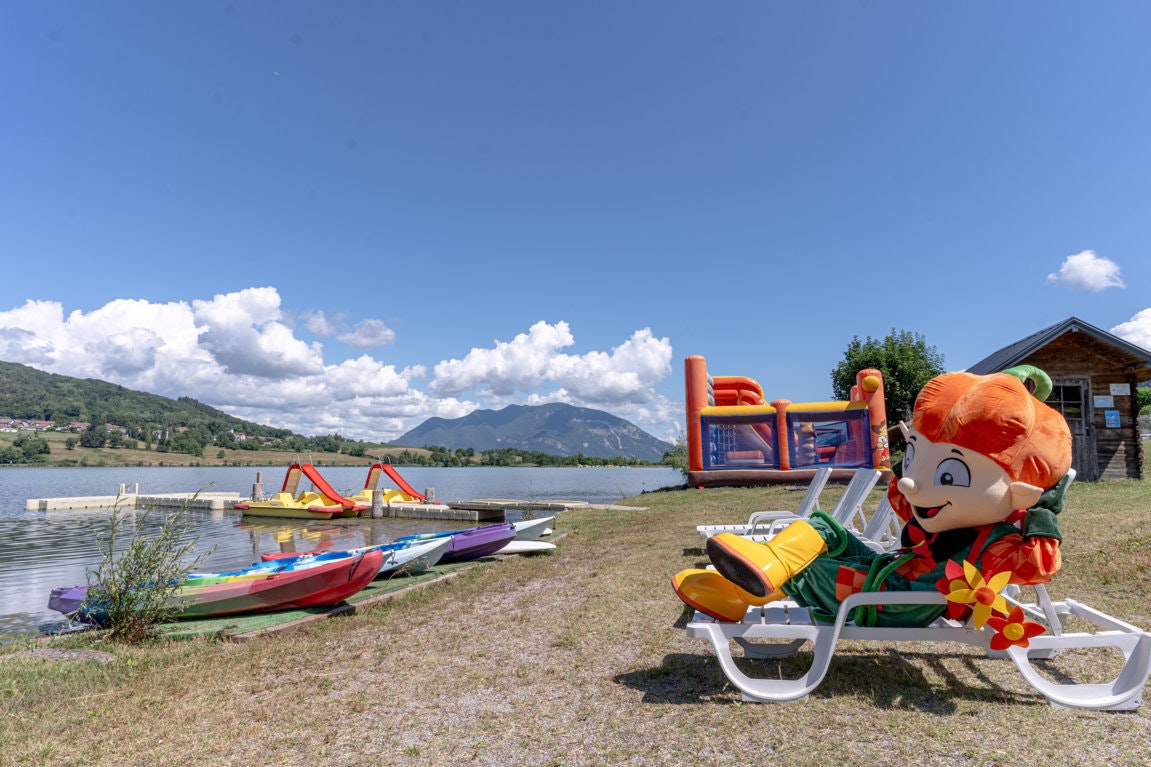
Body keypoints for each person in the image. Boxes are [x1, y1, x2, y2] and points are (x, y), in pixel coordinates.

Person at [673, 366, 1073, 628]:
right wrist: (909, 467)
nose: (914, 484)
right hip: (890, 575)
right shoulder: (938, 514)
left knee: (811, 571)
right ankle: (766, 567)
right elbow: (903, 495)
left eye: (951, 472)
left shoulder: (996, 542)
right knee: (823, 528)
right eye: (914, 452)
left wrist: (1042, 509)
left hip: (898, 600)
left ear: (1021, 494)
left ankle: (739, 593)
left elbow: (1039, 565)